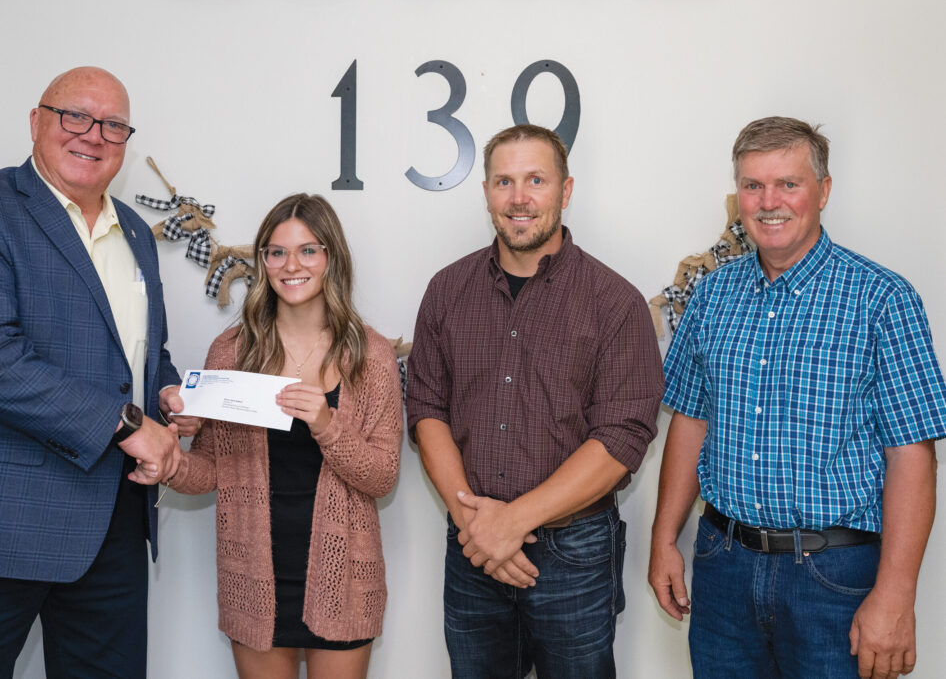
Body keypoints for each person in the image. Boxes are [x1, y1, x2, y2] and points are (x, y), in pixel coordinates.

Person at [0, 66, 194, 678]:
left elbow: (142, 351)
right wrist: (129, 425)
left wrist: (167, 394)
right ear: (37, 121)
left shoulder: (136, 234)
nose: (94, 135)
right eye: (76, 116)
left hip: (113, 522)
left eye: (113, 125)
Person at [649, 117, 946, 679]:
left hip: (834, 577)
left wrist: (897, 596)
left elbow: (913, 455)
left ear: (823, 190)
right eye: (753, 186)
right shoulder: (712, 293)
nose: (769, 202)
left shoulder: (882, 300)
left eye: (788, 183)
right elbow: (690, 420)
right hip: (724, 564)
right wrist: (665, 538)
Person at [407, 124, 665, 679]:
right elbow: (427, 408)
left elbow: (623, 436)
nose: (518, 197)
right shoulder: (447, 291)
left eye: (535, 180)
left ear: (566, 191)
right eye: (504, 181)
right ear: (485, 192)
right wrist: (476, 525)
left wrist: (512, 522)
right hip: (471, 543)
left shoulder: (615, 303)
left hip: (575, 554)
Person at [166, 193, 402, 679]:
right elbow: (211, 468)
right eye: (276, 252)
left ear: (331, 257)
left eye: (308, 250)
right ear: (263, 261)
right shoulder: (230, 351)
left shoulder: (371, 355)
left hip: (344, 583)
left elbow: (383, 476)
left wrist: (326, 425)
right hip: (251, 580)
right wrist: (169, 462)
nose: (291, 264)